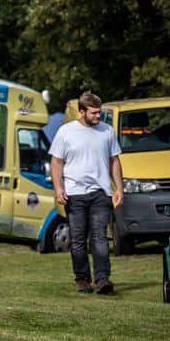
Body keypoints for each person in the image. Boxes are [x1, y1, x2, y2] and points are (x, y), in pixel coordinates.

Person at [50, 91, 123, 294]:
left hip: (101, 192)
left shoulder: (107, 131)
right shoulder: (66, 132)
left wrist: (119, 188)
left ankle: (102, 279)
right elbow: (56, 162)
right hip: (75, 194)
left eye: (99, 112)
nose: (98, 116)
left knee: (99, 237)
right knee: (78, 240)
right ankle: (82, 279)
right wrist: (59, 188)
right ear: (81, 112)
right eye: (94, 113)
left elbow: (114, 161)